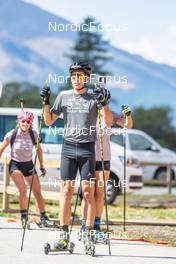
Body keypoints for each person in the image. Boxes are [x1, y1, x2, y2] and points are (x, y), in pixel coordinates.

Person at [40, 61, 112, 248]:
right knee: (66, 191)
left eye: (80, 76)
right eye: (73, 76)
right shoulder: (63, 96)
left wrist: (104, 103)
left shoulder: (93, 97)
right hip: (69, 148)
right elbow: (48, 121)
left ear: (87, 78)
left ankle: (88, 234)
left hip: (88, 148)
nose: (76, 79)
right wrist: (46, 102)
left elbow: (109, 120)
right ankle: (64, 236)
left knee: (88, 192)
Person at [81, 105, 133, 235]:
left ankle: (96, 225)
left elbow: (127, 125)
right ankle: (84, 224)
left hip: (104, 159)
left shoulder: (109, 114)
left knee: (99, 193)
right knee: (87, 194)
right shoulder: (87, 112)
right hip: (87, 158)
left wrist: (128, 115)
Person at [0, 109, 49, 227]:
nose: (25, 124)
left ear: (31, 123)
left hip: (28, 165)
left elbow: (39, 150)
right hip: (15, 164)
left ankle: (43, 216)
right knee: (23, 189)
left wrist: (41, 165)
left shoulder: (34, 134)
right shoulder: (12, 133)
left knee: (37, 191)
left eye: (28, 121)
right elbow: (1, 149)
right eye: (23, 121)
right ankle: (24, 216)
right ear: (18, 121)